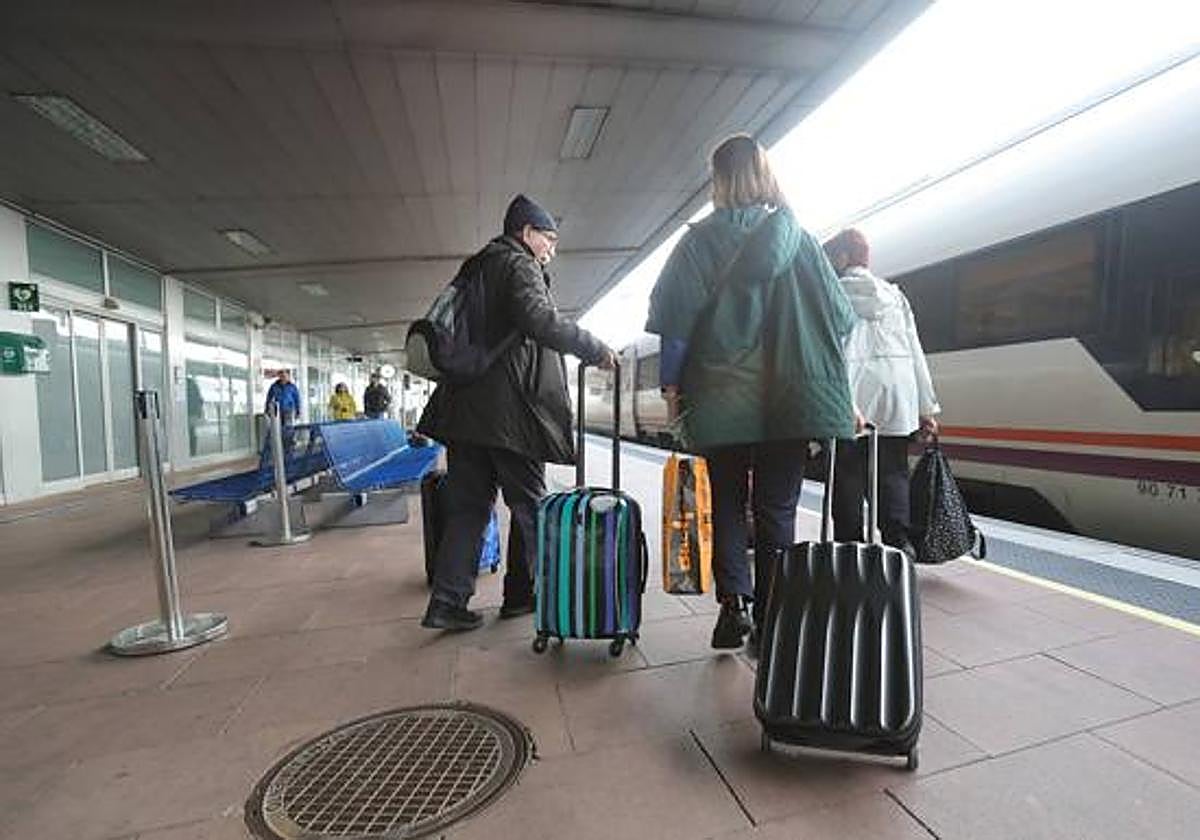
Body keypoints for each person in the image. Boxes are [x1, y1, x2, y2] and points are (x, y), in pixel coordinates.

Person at [646, 134, 858, 650]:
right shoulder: (801, 240)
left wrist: (673, 389)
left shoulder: (698, 242)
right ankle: (773, 619)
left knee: (725, 502)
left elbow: (675, 326)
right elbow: (841, 319)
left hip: (720, 397)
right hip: (788, 399)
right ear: (766, 174)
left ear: (719, 180)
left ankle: (732, 607)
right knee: (776, 511)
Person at [417, 193, 617, 631]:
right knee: (532, 506)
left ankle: (448, 602)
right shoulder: (518, 263)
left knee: (469, 509)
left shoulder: (478, 265)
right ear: (526, 233)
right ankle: (547, 599)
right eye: (549, 239)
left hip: (464, 410)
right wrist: (593, 347)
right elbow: (538, 321)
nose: (551, 250)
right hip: (506, 413)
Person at [823, 228, 940, 553]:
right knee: (892, 474)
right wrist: (925, 406)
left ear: (843, 257)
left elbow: (827, 350)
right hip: (896, 395)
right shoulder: (894, 296)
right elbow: (915, 349)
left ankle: (851, 553)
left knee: (846, 476)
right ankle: (899, 548)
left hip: (851, 394)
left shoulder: (831, 294)